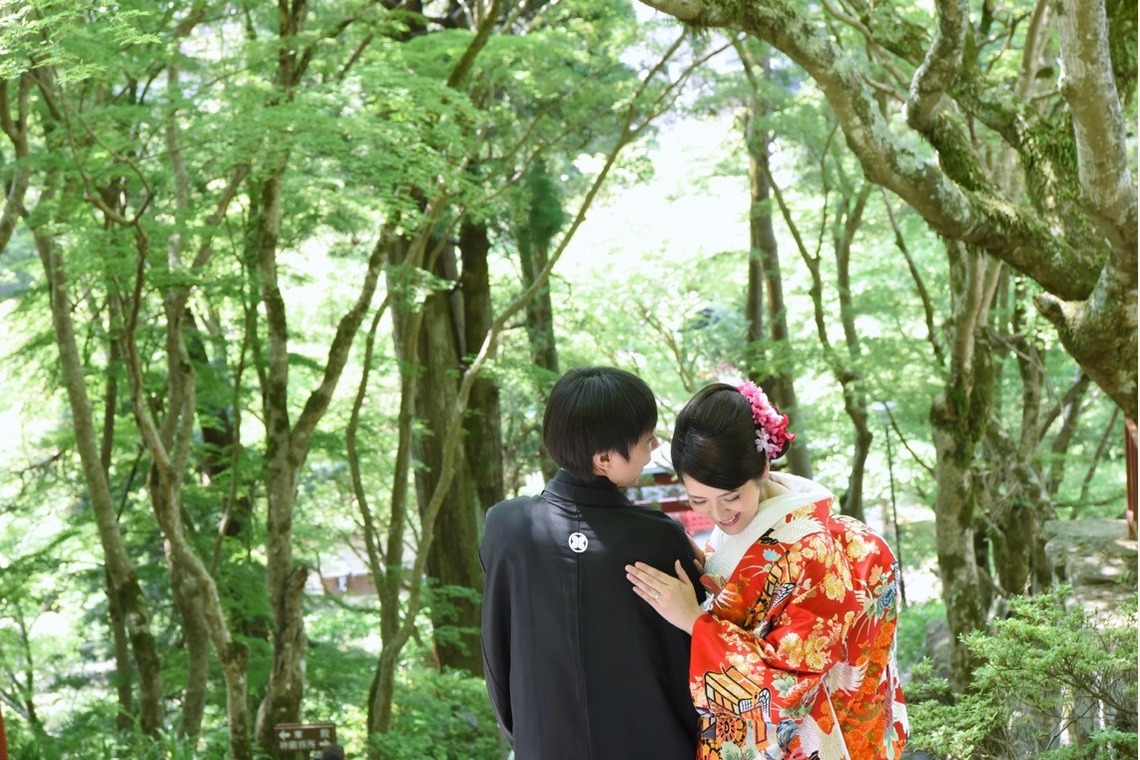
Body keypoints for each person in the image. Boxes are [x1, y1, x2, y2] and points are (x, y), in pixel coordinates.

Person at [626, 381, 908, 759]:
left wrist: (696, 623)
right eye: (699, 501)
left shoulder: (811, 549)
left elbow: (787, 684)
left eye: (731, 497)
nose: (720, 514)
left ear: (762, 465)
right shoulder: (752, 528)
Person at [480, 366, 703, 760]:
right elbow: (689, 658)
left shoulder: (505, 528)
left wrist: (526, 738)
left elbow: (496, 651)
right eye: (646, 440)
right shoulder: (658, 537)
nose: (653, 447)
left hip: (544, 744)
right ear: (604, 458)